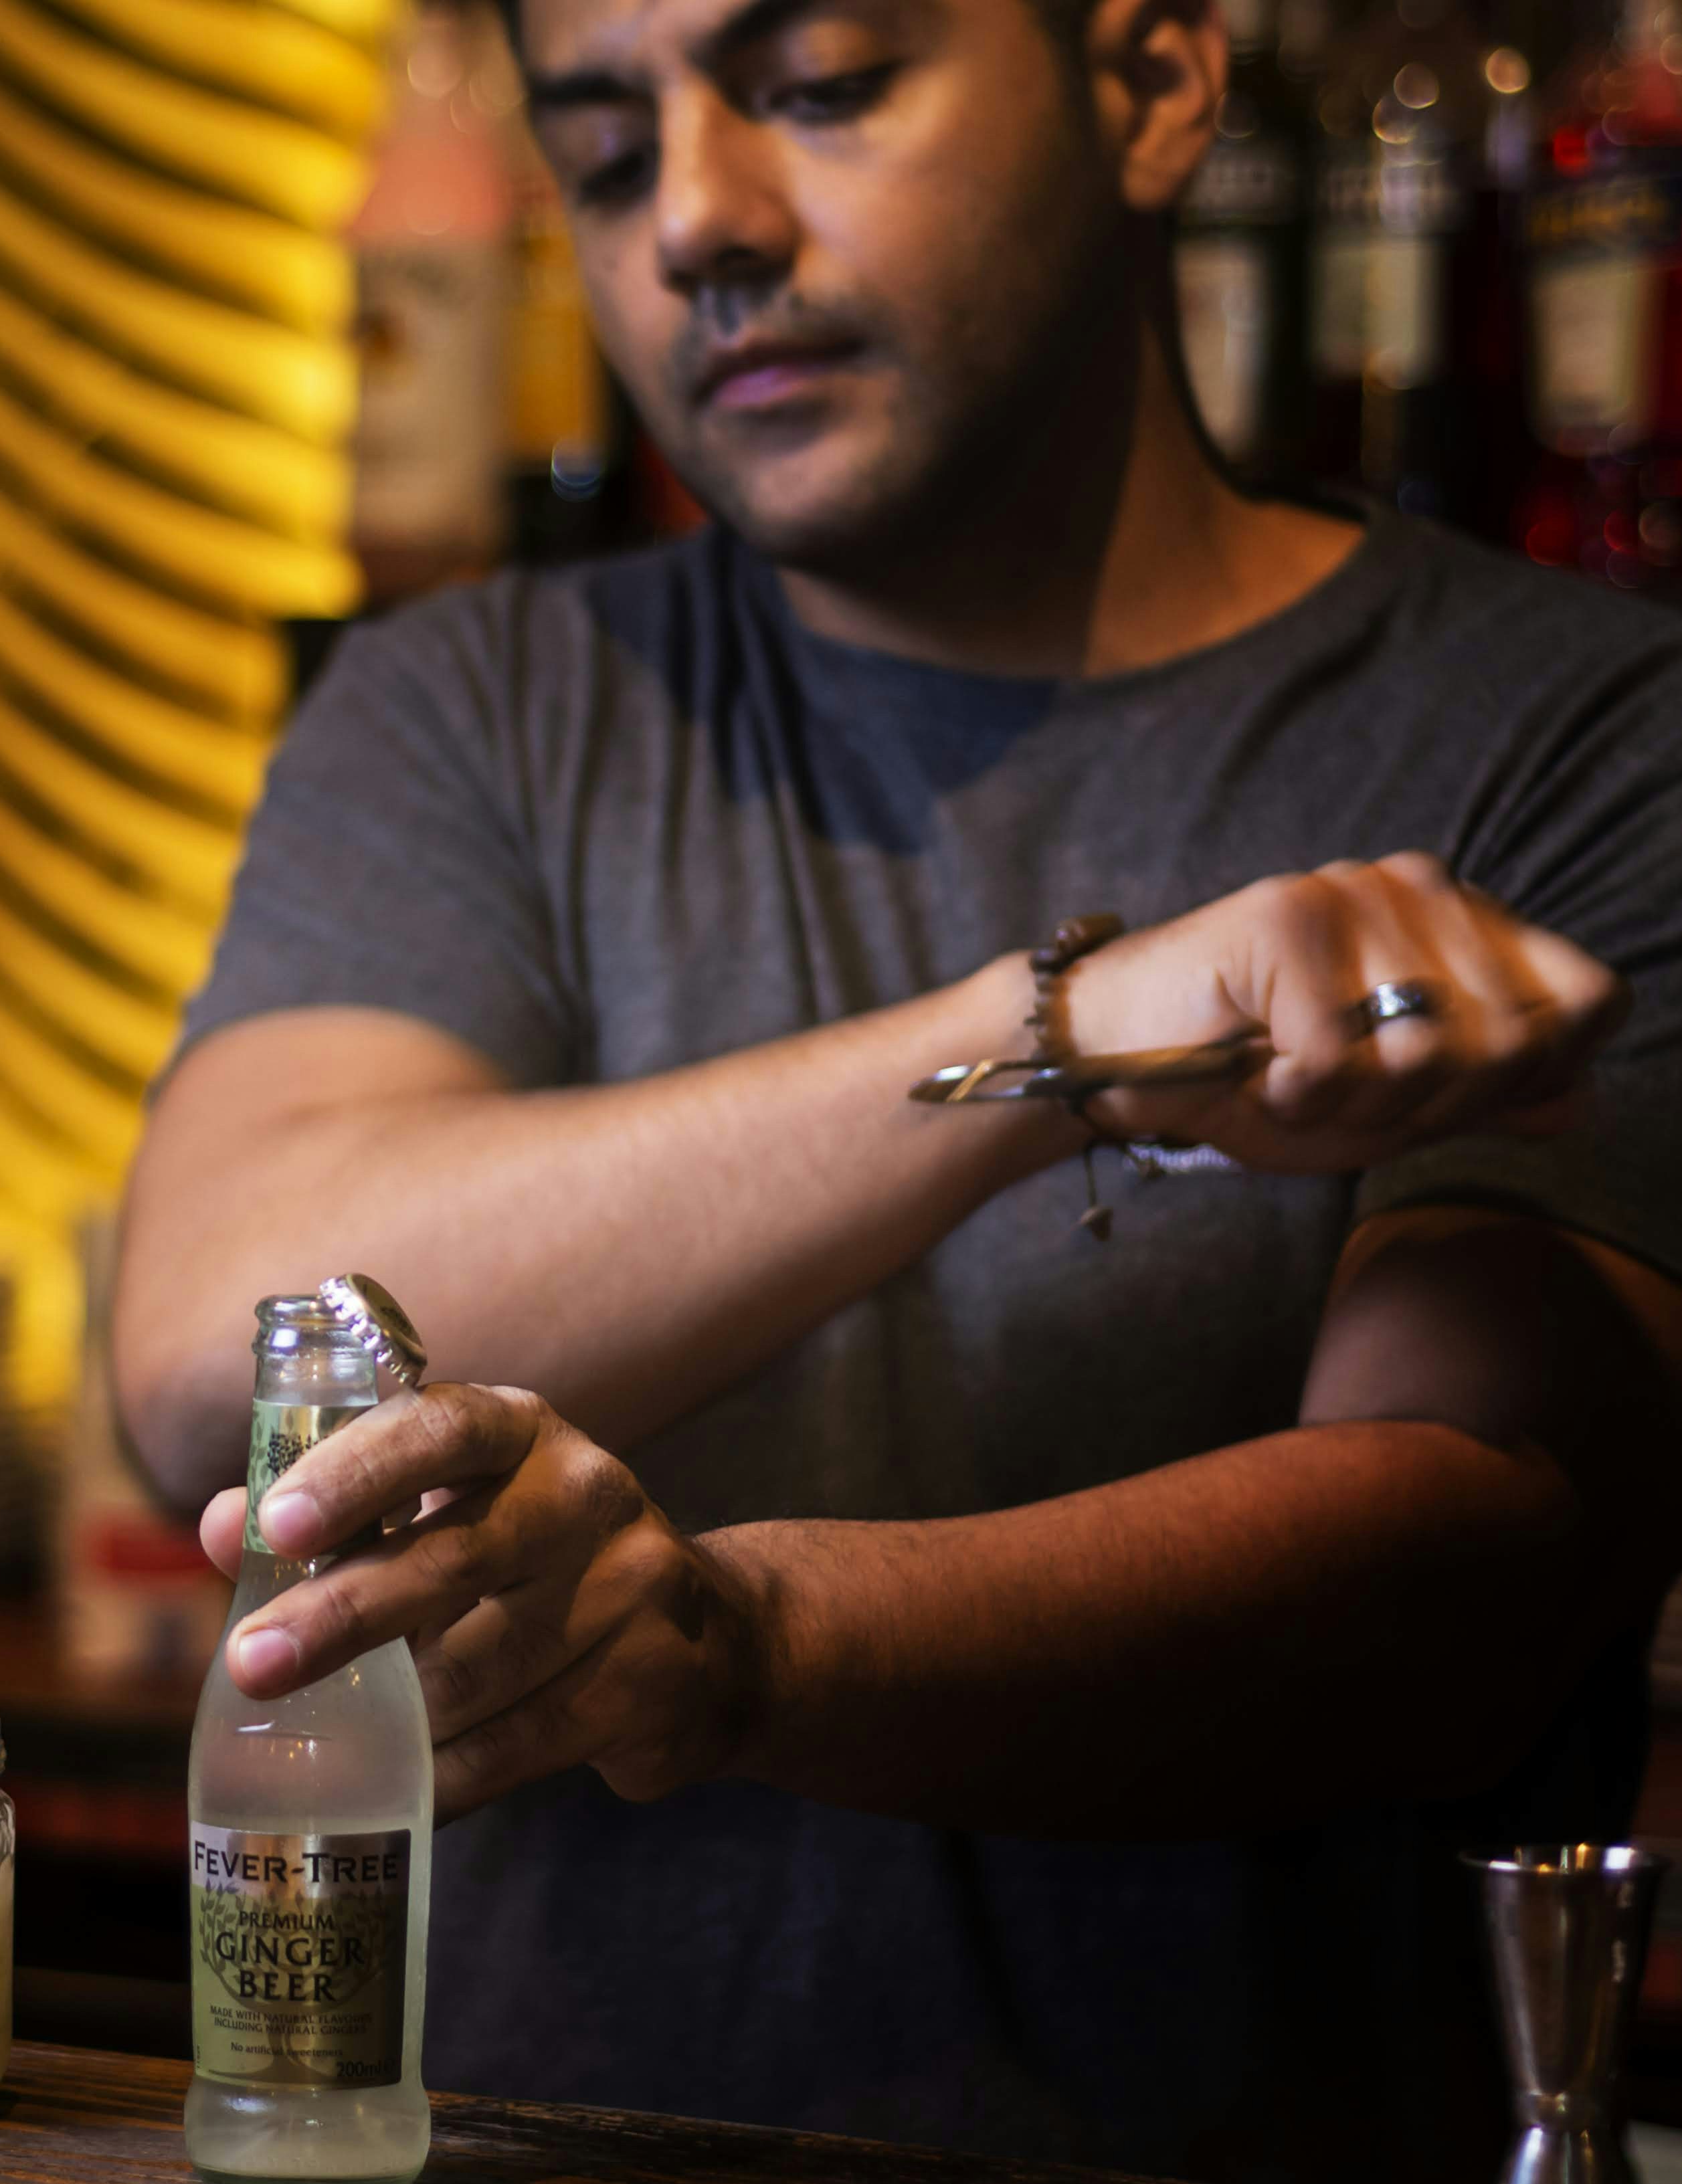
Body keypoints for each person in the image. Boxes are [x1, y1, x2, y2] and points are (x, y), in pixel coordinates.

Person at [111, 0, 1682, 2173]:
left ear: (1150, 85)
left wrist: (737, 1643)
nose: (694, 222)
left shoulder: (1576, 731)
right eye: (595, 145)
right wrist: (1064, 1043)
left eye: (821, 85)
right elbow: (214, 1355)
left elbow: (1458, 1572)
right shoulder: (469, 708)